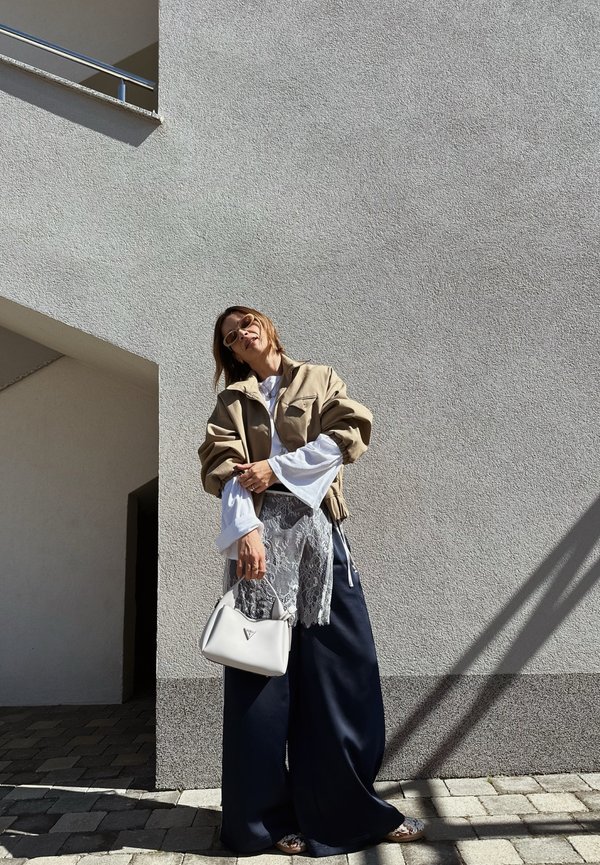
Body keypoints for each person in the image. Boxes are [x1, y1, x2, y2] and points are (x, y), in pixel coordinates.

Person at [198, 306, 425, 857]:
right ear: (228, 351)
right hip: (257, 544)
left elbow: (349, 431)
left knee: (343, 672)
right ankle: (258, 825)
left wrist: (275, 468)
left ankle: (351, 813)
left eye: (247, 324)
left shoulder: (319, 378)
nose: (240, 335)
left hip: (319, 538)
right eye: (230, 336)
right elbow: (221, 465)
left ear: (268, 327)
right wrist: (247, 530)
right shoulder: (232, 402)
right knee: (260, 682)